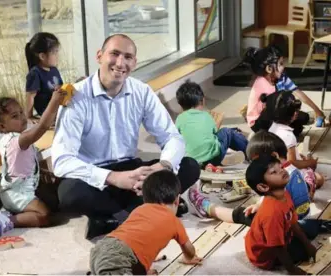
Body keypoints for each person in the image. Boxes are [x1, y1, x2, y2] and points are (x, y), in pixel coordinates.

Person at [51, 34, 200, 240]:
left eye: (128, 57)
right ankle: (144, 212)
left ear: (135, 63)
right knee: (69, 194)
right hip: (97, 177)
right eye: (114, 54)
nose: (121, 63)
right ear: (99, 56)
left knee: (189, 166)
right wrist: (114, 178)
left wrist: (162, 167)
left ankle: (111, 219)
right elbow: (61, 161)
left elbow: (172, 137)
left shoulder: (142, 91)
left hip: (133, 170)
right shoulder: (77, 96)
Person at [187, 131, 331, 233]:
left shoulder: (279, 180)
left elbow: (273, 203)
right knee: (309, 182)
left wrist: (258, 207)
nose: (254, 167)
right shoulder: (291, 169)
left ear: (273, 156)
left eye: (257, 162)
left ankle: (208, 208)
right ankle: (311, 182)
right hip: (302, 212)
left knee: (243, 214)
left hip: (288, 221)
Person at [0, 88, 66, 238]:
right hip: (18, 194)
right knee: (44, 215)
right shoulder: (20, 140)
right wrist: (54, 101)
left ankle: (10, 210)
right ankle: (7, 221)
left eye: (21, 112)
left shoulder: (5, 141)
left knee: (54, 198)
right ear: (1, 127)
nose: (22, 117)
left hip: (16, 189)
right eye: (15, 116)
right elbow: (43, 127)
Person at [89, 170, 202, 275]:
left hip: (102, 248)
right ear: (177, 200)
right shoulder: (174, 221)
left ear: (145, 199)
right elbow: (189, 249)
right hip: (118, 256)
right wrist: (189, 258)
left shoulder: (139, 210)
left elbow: (138, 242)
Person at [245, 154, 317, 274]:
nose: (282, 171)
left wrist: (308, 244)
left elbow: (294, 223)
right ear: (263, 187)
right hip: (265, 255)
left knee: (311, 230)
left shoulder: (284, 194)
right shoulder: (272, 213)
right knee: (302, 252)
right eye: (274, 172)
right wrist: (292, 270)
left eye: (280, 167)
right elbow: (277, 247)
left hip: (283, 232)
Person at [244, 46, 325, 137]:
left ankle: (280, 129)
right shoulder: (262, 83)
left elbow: (298, 93)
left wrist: (317, 111)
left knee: (303, 118)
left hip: (274, 114)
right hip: (260, 121)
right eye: (281, 64)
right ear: (269, 69)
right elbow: (274, 110)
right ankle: (263, 134)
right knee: (291, 127)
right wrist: (290, 117)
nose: (284, 66)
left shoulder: (281, 77)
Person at [260, 92, 324, 193]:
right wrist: (311, 162)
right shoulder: (288, 135)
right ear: (294, 114)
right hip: (288, 173)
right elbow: (293, 162)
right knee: (319, 179)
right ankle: (303, 189)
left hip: (274, 169)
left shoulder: (273, 127)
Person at [175, 80, 248, 169]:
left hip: (192, 162)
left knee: (228, 132)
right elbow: (214, 133)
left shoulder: (179, 119)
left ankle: (208, 164)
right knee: (227, 132)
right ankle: (250, 151)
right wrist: (219, 121)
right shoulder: (206, 115)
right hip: (213, 158)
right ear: (202, 100)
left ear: (180, 104)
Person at [25, 32, 63, 122]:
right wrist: (29, 116)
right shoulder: (35, 73)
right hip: (48, 112)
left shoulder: (54, 70)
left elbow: (61, 87)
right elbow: (30, 96)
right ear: (42, 56)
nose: (57, 56)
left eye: (57, 52)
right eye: (54, 53)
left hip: (59, 107)